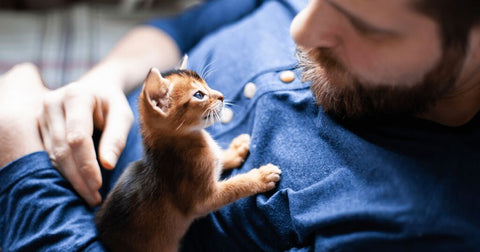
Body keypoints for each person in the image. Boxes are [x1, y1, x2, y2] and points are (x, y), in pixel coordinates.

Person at [1, 0, 479, 250]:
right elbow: (185, 28)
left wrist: (17, 158)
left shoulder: (410, 231)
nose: (301, 30)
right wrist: (104, 78)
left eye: (365, 27)